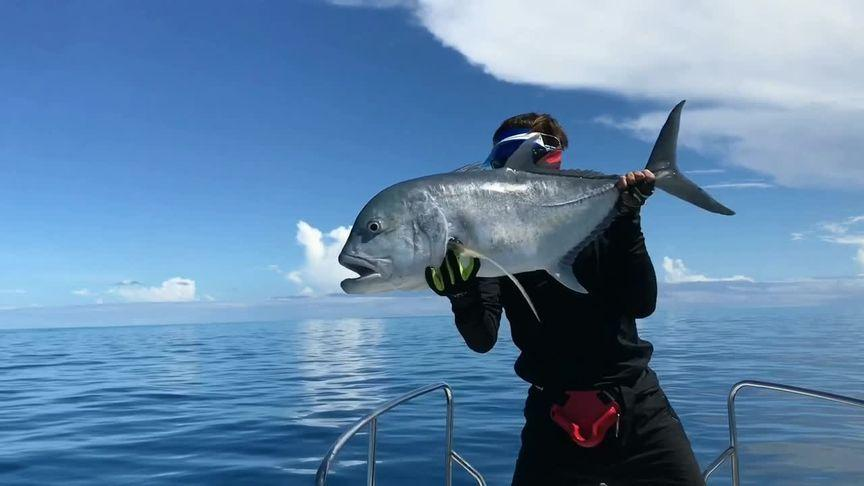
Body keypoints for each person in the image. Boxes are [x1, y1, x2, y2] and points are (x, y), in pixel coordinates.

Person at [425, 113, 704, 485]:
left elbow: (642, 304)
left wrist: (628, 221)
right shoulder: (483, 245)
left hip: (637, 408)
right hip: (551, 416)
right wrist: (459, 292)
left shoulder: (597, 221)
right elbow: (482, 339)